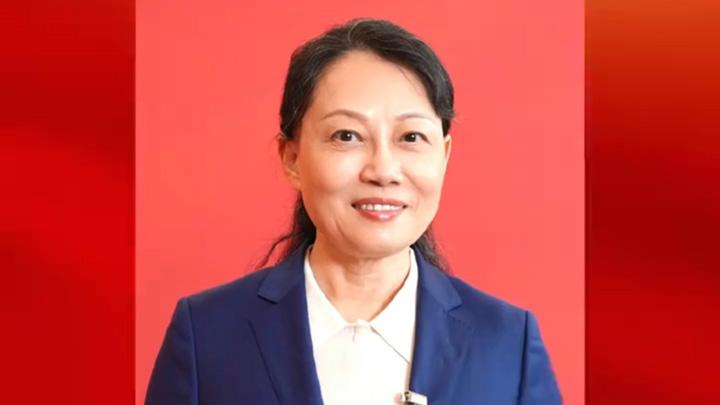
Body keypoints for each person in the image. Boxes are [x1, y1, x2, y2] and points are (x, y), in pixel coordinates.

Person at [145, 18, 562, 405]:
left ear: (444, 155)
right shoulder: (206, 336)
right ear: (292, 157)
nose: (383, 170)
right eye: (347, 135)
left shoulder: (508, 345)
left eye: (411, 137)